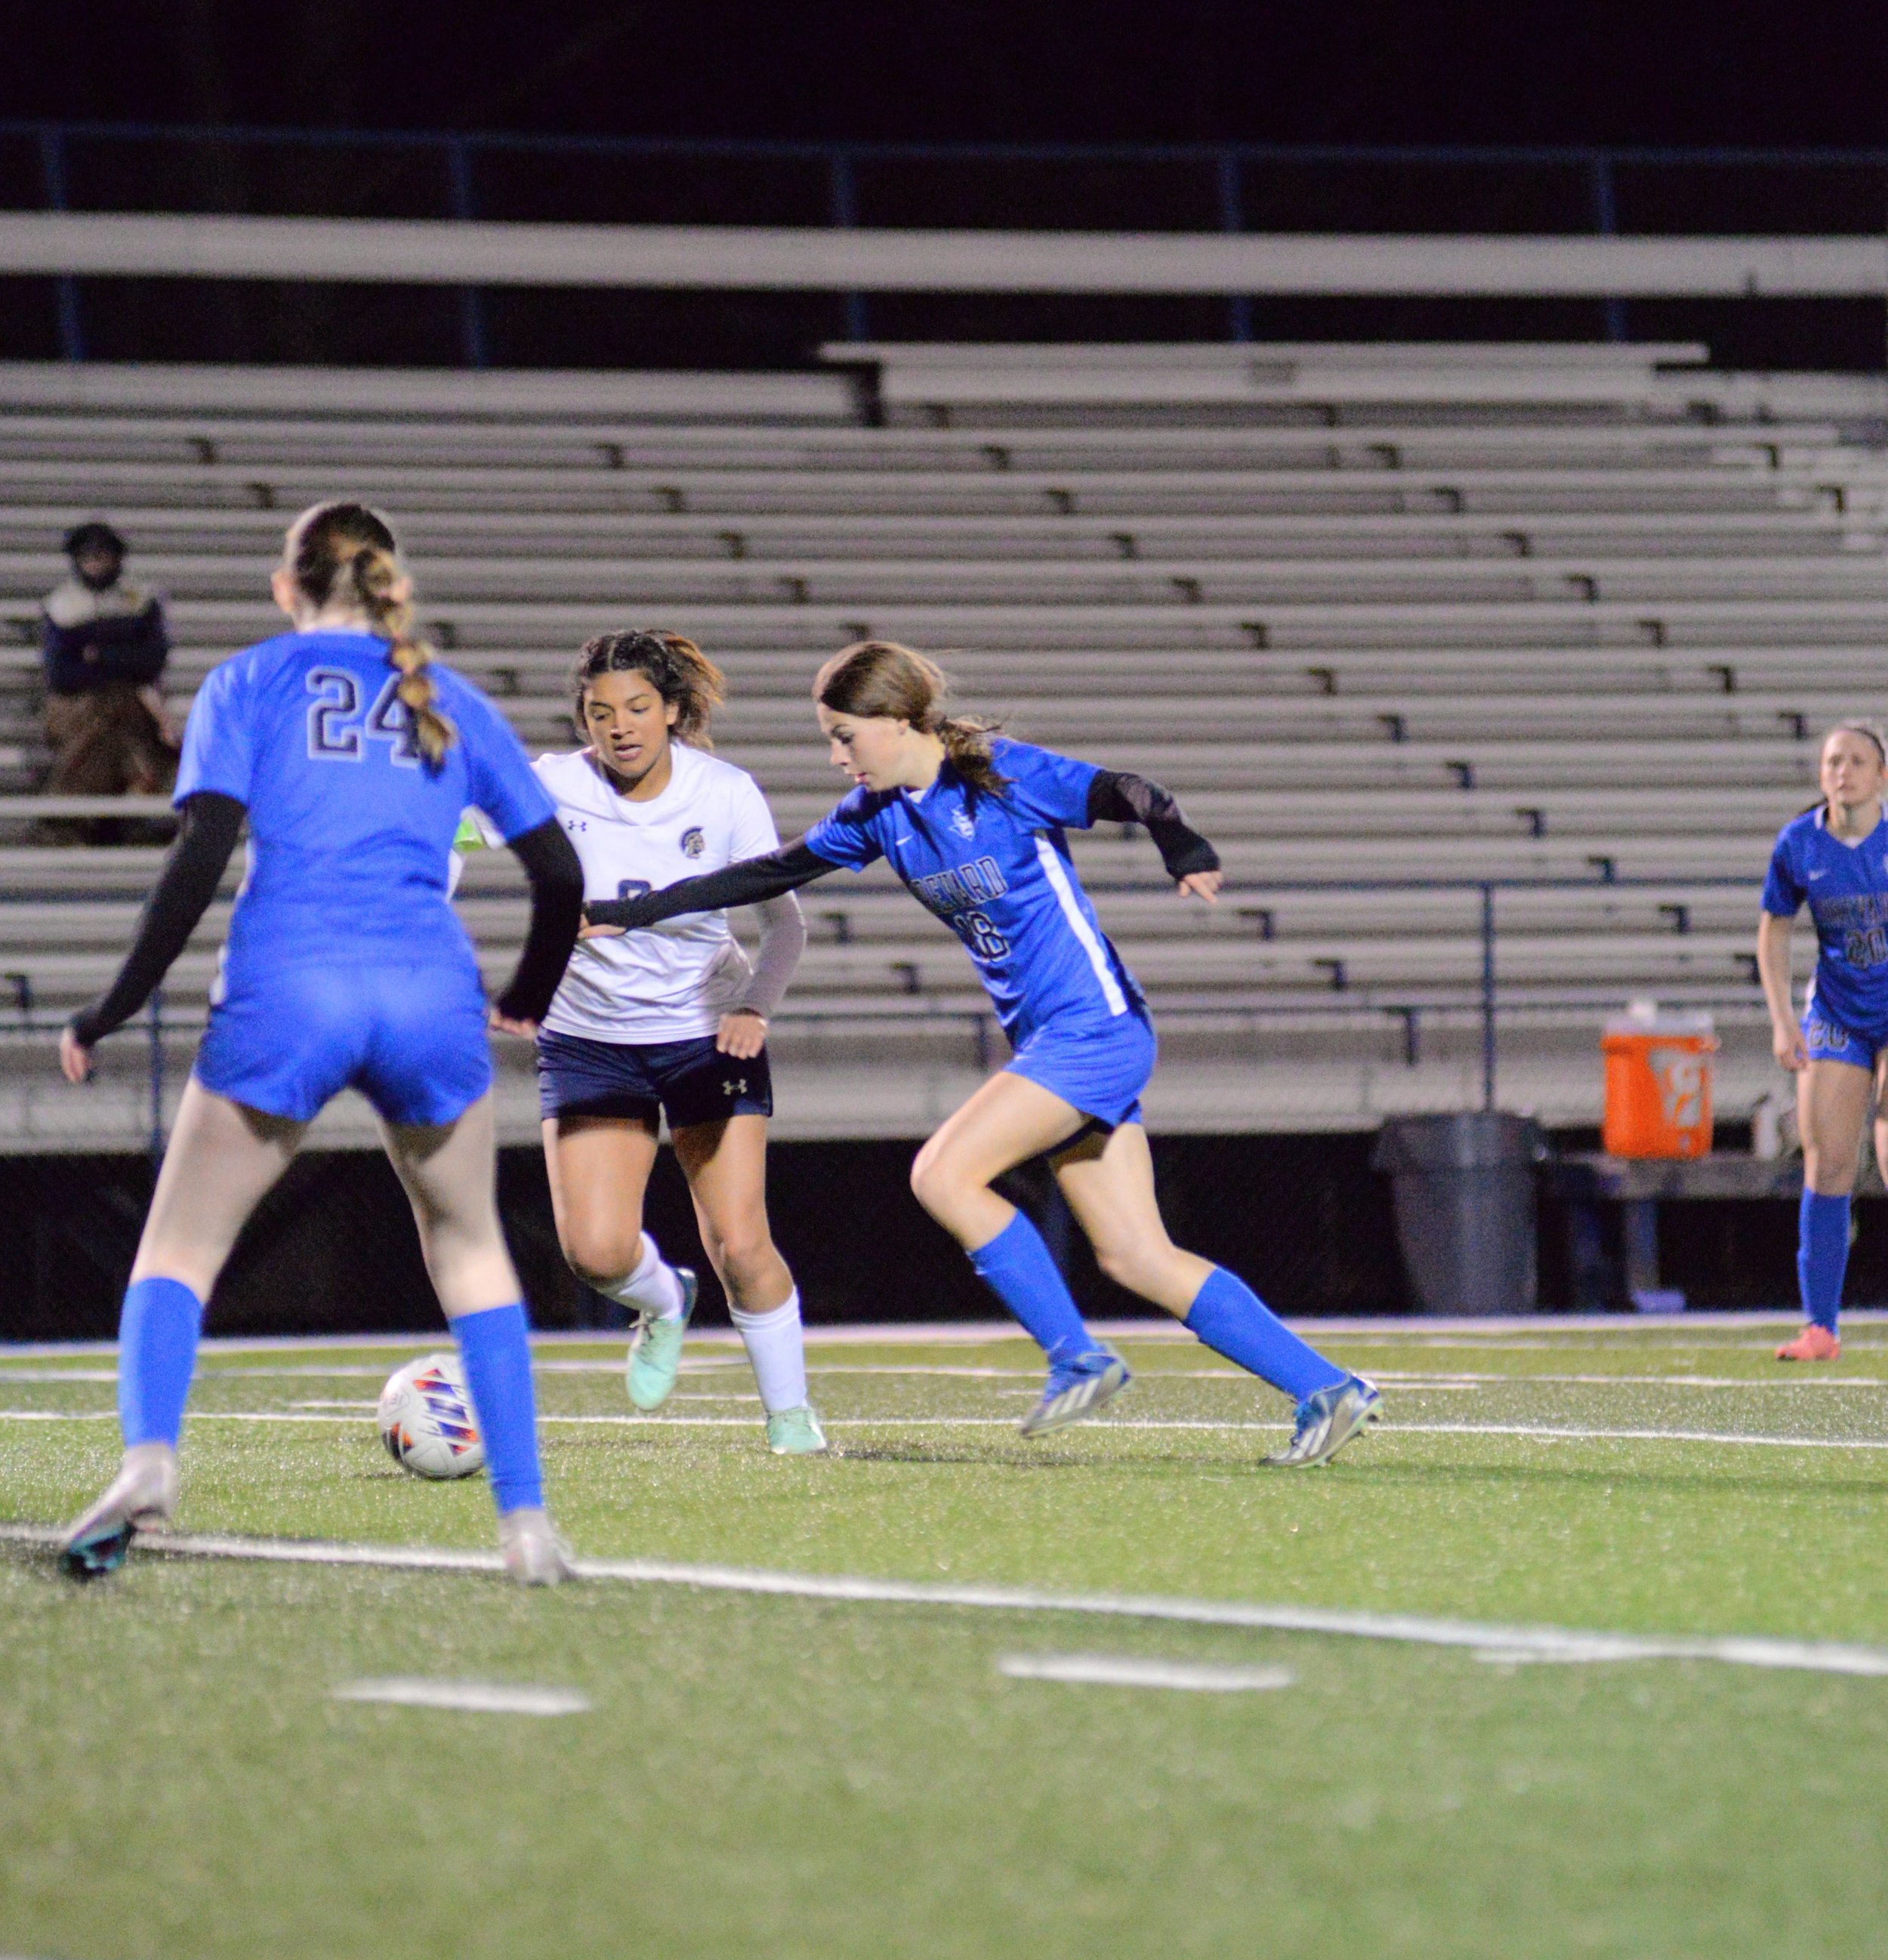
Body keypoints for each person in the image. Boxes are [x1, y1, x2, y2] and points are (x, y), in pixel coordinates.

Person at [590, 640, 1381, 1460]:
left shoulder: (1000, 774)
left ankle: (1078, 1359)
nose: (836, 757)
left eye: (844, 736)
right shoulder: (877, 814)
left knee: (942, 1173)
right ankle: (1327, 1389)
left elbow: (1131, 790)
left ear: (897, 721)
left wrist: (1181, 843)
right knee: (1135, 1255)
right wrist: (634, 912)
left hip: (1094, 1028)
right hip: (1053, 1041)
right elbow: (764, 874)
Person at [55, 502, 585, 1584]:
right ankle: (527, 1522)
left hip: (290, 980)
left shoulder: (247, 680)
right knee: (471, 1247)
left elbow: (199, 856)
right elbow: (559, 874)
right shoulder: (450, 694)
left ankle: (149, 1462)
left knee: (179, 1248)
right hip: (427, 987)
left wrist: (109, 1008)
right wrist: (527, 996)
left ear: (285, 585)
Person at [531, 628, 822, 1453]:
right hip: (589, 1037)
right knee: (594, 1253)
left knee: (740, 1242)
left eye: (636, 707)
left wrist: (754, 1008)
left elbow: (784, 926)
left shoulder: (723, 793)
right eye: (600, 712)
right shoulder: (549, 784)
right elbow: (455, 834)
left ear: (671, 712)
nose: (618, 726)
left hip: (705, 1037)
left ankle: (790, 1416)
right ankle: (664, 1302)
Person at [1757, 718, 1888, 1361]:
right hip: (1837, 1012)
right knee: (1829, 1161)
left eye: (1858, 761)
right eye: (1834, 760)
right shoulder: (1798, 843)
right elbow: (1774, 929)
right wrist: (1783, 1019)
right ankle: (1821, 1328)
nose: (1844, 771)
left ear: (1882, 776)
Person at [40, 521, 178, 812]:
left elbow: (151, 661)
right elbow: (61, 675)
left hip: (134, 703)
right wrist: (120, 658)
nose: (94, 562)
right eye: (87, 556)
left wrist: (98, 655)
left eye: (102, 555)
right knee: (104, 720)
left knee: (118, 713)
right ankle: (134, 797)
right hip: (79, 707)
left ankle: (69, 812)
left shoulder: (140, 600)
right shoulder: (61, 604)